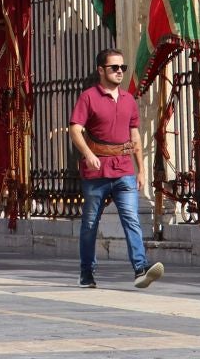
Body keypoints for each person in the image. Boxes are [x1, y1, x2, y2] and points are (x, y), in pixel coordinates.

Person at [69, 47, 163, 290]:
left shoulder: (129, 99)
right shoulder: (88, 97)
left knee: (131, 218)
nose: (120, 71)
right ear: (101, 70)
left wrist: (141, 169)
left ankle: (140, 269)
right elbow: (75, 129)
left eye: (123, 67)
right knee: (90, 223)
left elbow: (135, 136)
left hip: (124, 170)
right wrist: (88, 154)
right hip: (96, 172)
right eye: (114, 67)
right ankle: (86, 272)